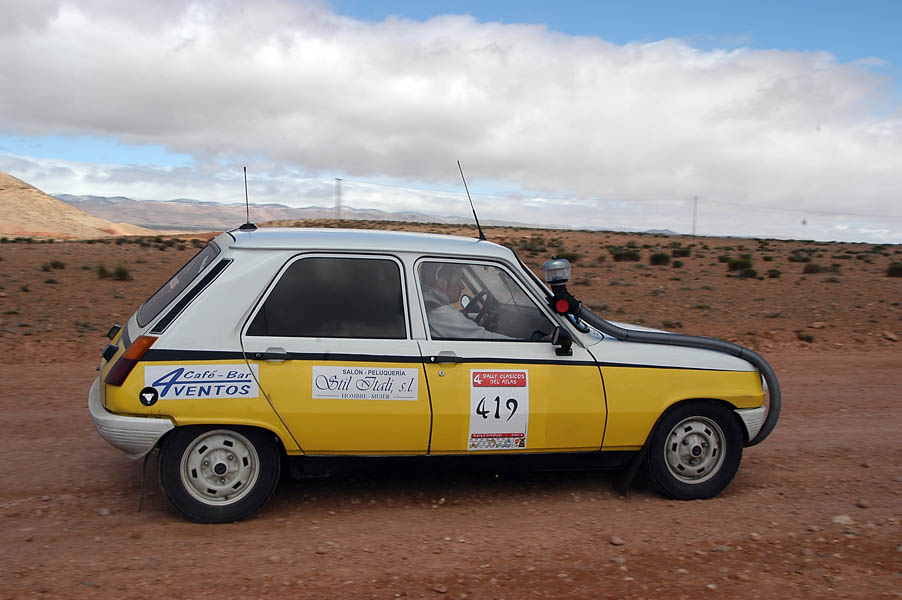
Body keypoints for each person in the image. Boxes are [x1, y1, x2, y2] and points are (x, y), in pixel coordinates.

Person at [421, 263, 514, 340]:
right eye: (458, 280)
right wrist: (521, 344)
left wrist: (473, 316)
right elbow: (485, 339)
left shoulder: (430, 305)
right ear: (442, 284)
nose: (462, 286)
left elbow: (456, 320)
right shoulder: (441, 314)